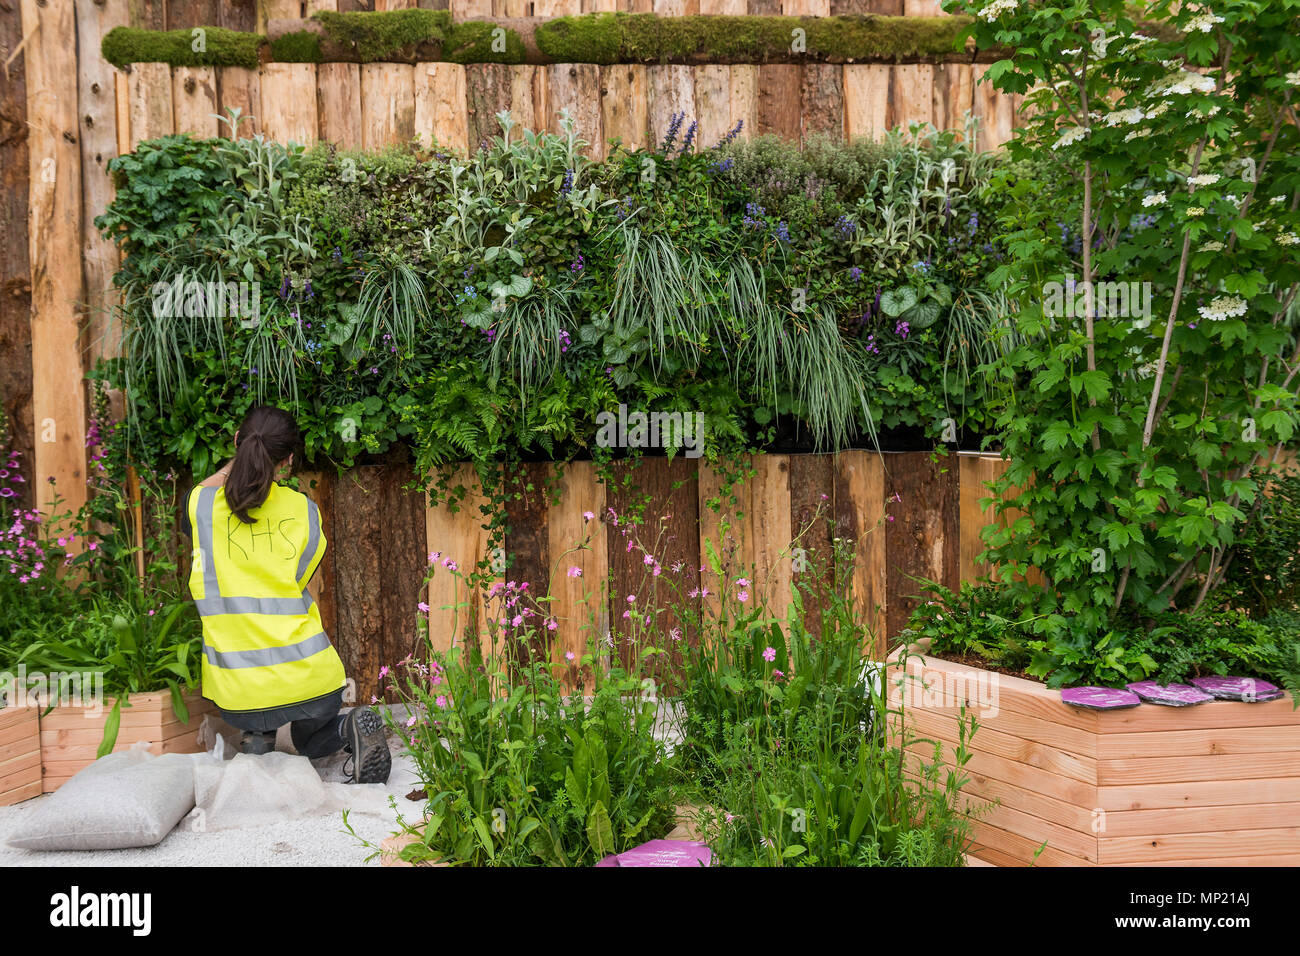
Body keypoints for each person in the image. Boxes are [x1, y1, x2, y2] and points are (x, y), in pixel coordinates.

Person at [182, 405, 390, 784]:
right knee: (309, 735)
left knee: (257, 721)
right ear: (289, 460)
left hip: (238, 689)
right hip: (311, 679)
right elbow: (298, 577)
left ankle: (257, 744)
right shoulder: (303, 510)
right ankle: (345, 731)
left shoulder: (197, 506)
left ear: (235, 441)